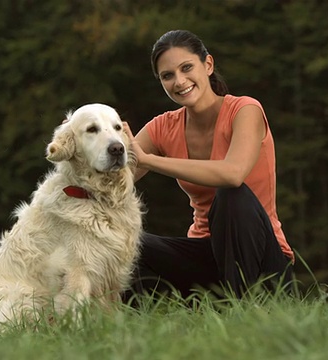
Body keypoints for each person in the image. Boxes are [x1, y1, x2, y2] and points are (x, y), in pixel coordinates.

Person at [122, 30, 294, 300]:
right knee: (126, 243)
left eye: (186, 68)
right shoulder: (162, 127)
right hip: (205, 258)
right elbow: (112, 177)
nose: (179, 81)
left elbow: (233, 174)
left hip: (264, 263)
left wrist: (150, 161)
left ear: (208, 65)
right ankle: (126, 322)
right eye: (167, 76)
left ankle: (245, 310)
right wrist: (84, 141)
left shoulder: (245, 110)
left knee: (230, 194)